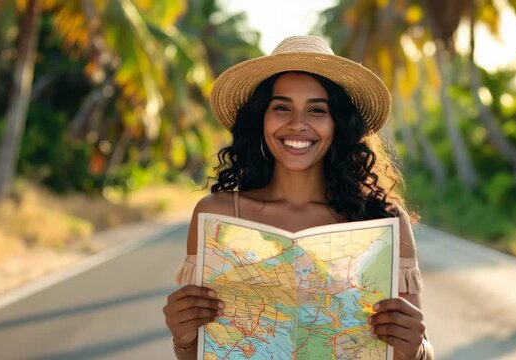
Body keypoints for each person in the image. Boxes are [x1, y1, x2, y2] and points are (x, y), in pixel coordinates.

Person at [163, 35, 434, 360]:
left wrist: (416, 349)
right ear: (260, 119)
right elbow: (206, 353)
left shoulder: (383, 221)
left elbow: (420, 351)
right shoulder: (217, 217)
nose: (297, 124)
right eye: (281, 107)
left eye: (316, 110)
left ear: (338, 126)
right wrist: (184, 338)